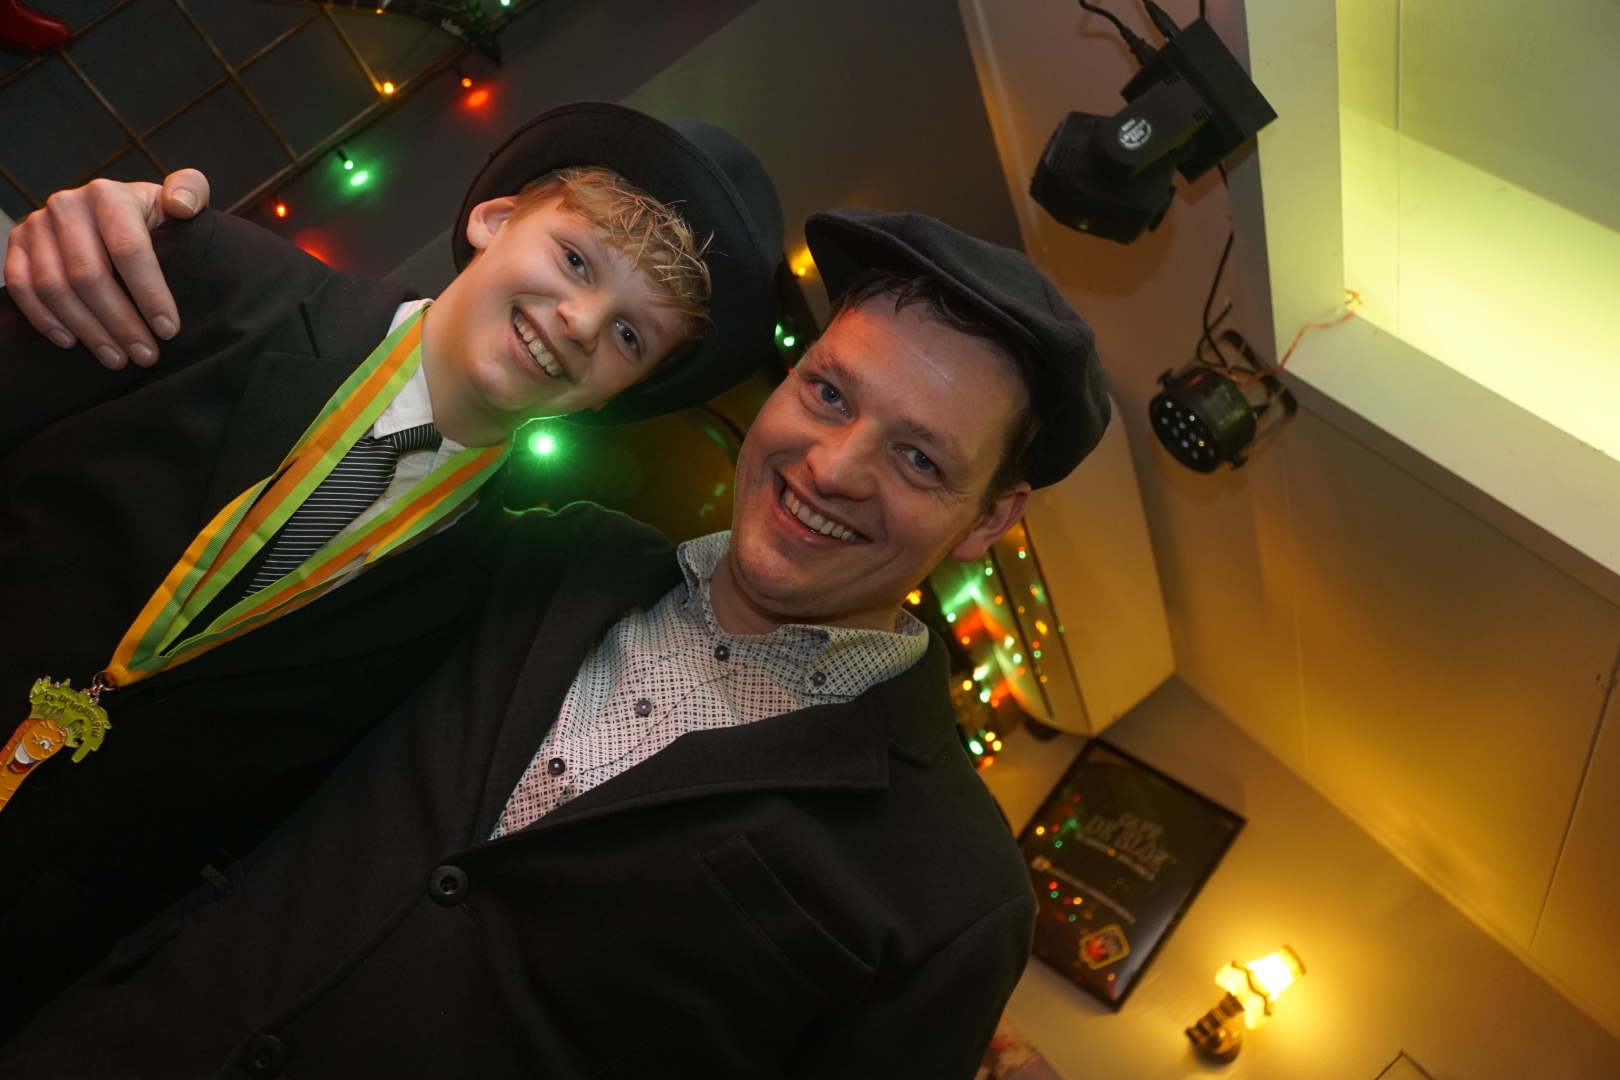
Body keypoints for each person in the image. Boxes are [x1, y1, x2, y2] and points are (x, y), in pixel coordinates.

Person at [0, 206, 1111, 1078]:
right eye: (828, 393)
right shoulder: (549, 560)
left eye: (920, 460)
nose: (834, 467)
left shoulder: (955, 895)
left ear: (991, 518)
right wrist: (132, 243)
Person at [0, 101, 782, 1040]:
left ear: (622, 391)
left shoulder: (478, 595)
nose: (580, 322)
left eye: (629, 337)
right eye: (577, 260)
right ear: (495, 218)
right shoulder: (210, 276)